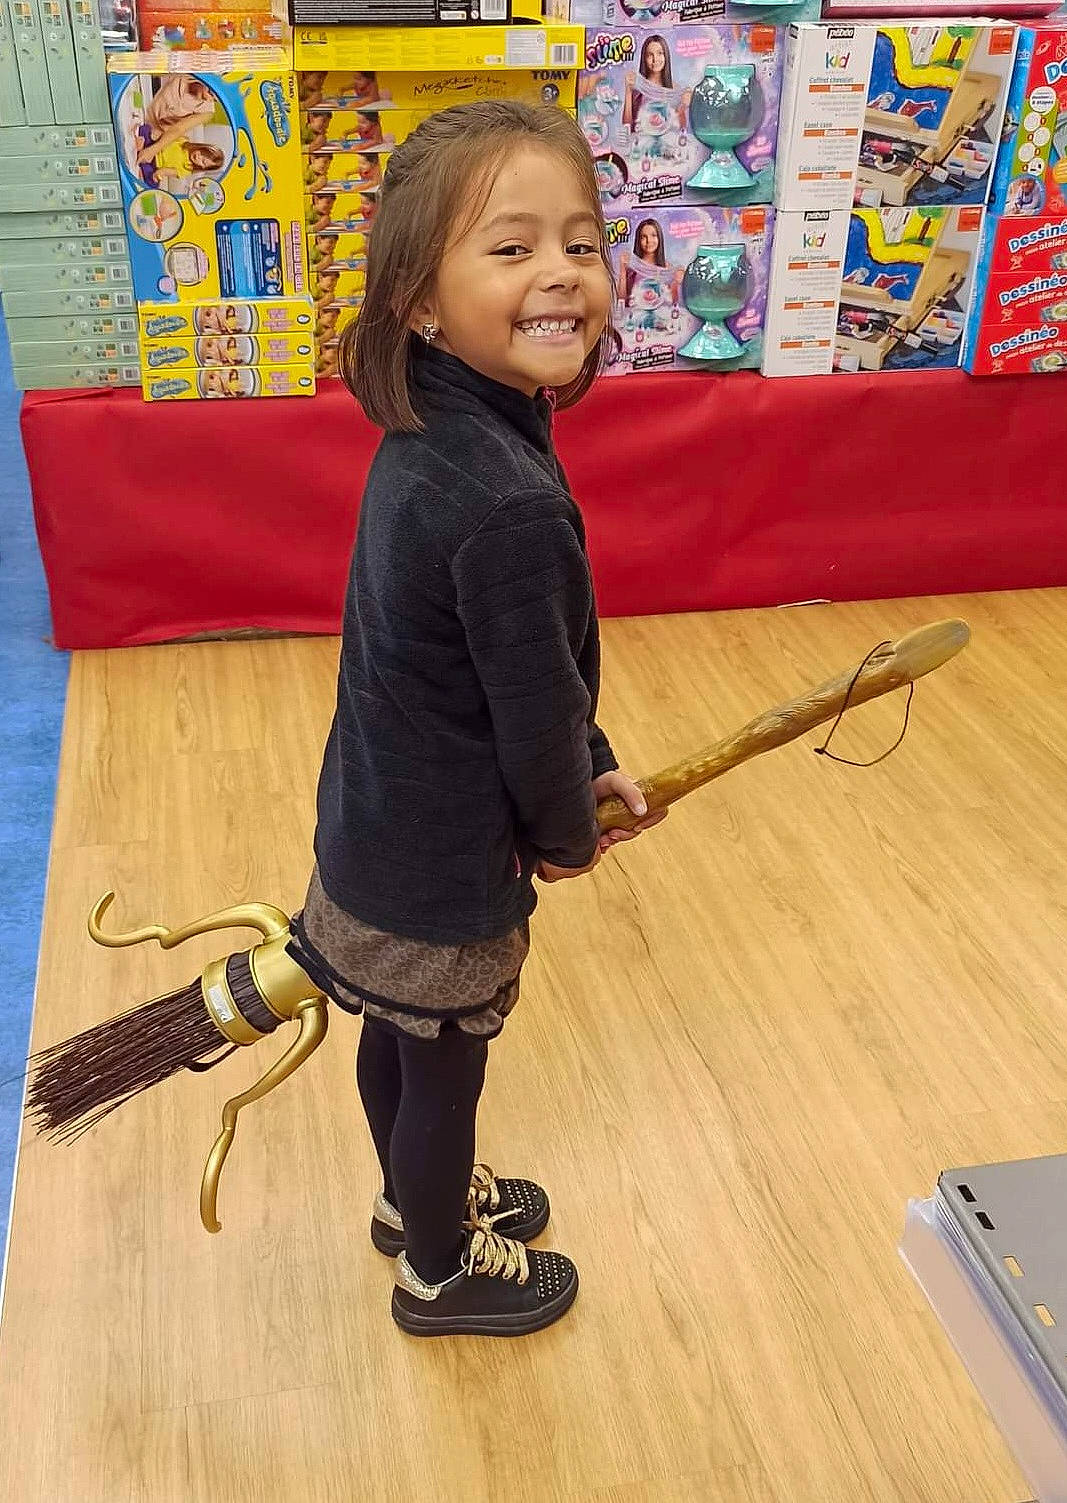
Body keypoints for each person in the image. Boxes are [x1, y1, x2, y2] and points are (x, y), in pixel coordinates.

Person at [286, 100, 664, 1340]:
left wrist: (586, 764)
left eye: (581, 240)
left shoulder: (437, 431)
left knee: (395, 1035)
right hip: (447, 864)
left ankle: (410, 1202)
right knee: (444, 1057)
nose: (559, 270)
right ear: (419, 299)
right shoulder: (504, 497)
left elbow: (499, 667)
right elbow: (533, 708)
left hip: (371, 827)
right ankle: (438, 1270)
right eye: (508, 248)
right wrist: (565, 825)